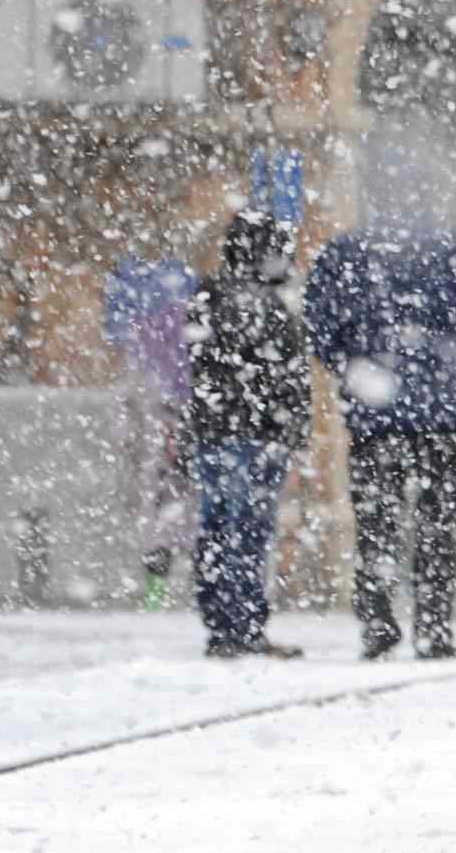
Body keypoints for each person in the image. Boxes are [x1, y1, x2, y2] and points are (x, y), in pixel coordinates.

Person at [305, 222, 456, 661]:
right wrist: (450, 367)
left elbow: (319, 322)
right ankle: (430, 625)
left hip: (380, 416)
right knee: (436, 526)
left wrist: (353, 368)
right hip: (437, 416)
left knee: (379, 523)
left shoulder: (348, 252)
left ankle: (380, 622)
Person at [185, 212, 310, 659]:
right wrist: (291, 424)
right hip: (257, 434)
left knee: (218, 526)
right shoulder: (270, 306)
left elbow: (200, 364)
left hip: (216, 431)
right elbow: (287, 374)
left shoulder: (209, 294)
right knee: (250, 531)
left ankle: (221, 625)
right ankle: (245, 624)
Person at [103, 256, 199, 607]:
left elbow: (125, 400)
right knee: (189, 513)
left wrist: (126, 435)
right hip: (186, 438)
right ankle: (197, 591)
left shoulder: (144, 341)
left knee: (161, 518)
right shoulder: (193, 331)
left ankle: (156, 595)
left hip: (161, 445)